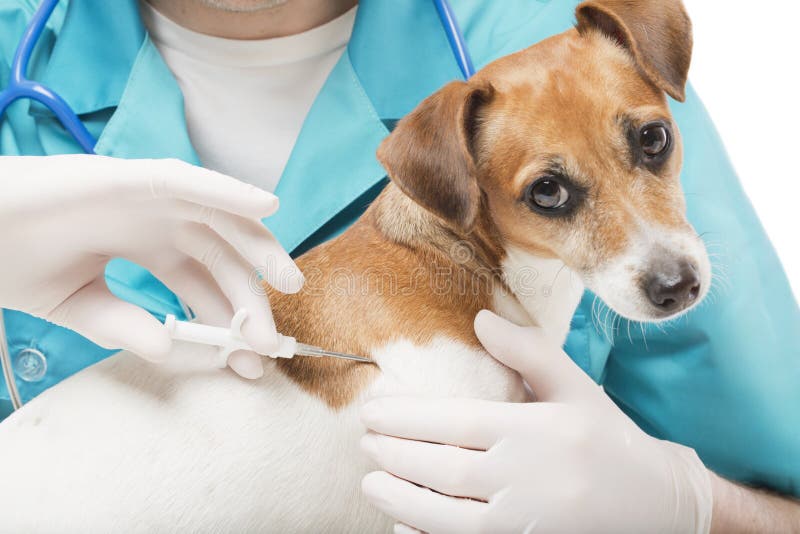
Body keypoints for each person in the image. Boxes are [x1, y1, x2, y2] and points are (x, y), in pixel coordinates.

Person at [0, 0, 797, 531]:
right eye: (551, 191)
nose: (651, 250)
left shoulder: (572, 47)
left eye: (651, 144)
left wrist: (682, 505)